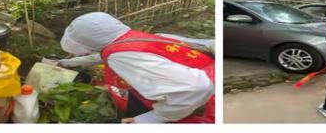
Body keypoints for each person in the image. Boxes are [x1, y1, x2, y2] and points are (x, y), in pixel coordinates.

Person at [57, 12, 215, 123]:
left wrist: (151, 119)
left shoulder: (121, 57)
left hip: (201, 104)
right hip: (204, 75)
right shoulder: (131, 39)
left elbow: (195, 88)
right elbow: (106, 54)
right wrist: (68, 63)